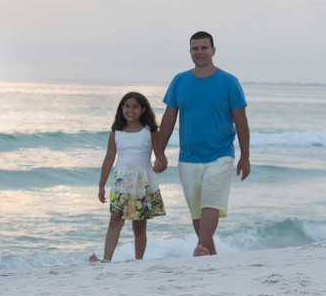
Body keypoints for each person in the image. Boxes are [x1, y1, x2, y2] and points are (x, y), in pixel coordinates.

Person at [152, 31, 251, 256]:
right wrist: (160, 152)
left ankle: (199, 248)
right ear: (190, 52)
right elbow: (168, 119)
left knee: (210, 203)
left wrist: (245, 156)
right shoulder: (179, 80)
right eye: (195, 48)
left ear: (213, 50)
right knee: (197, 213)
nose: (200, 52)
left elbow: (241, 121)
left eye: (204, 48)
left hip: (221, 154)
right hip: (188, 157)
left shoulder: (229, 82)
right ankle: (209, 256)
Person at [89, 92, 166, 263]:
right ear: (122, 108)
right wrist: (101, 186)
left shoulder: (150, 131)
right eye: (127, 106)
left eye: (135, 106)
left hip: (141, 182)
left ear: (143, 109)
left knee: (139, 226)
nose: (130, 110)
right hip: (121, 182)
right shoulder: (116, 132)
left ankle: (139, 260)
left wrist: (160, 164)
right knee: (115, 220)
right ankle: (106, 260)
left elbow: (160, 156)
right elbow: (109, 160)